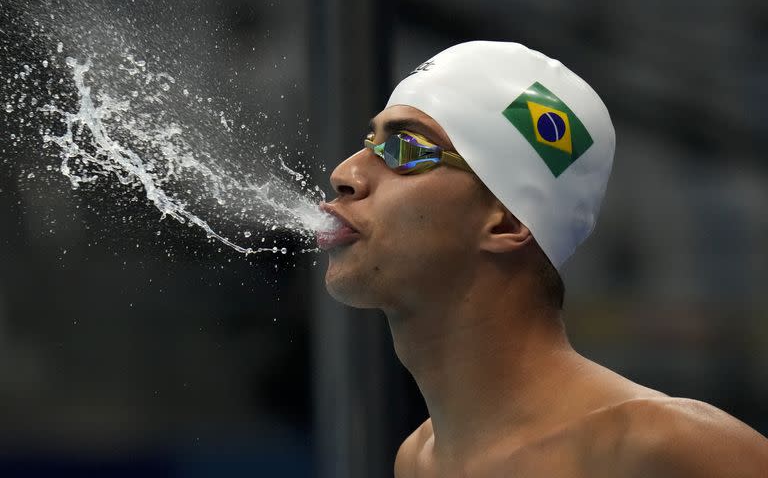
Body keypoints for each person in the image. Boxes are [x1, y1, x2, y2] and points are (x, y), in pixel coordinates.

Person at [316, 41, 768, 477]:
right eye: (368, 142)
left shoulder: (667, 448)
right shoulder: (419, 461)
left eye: (404, 151)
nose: (345, 173)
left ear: (508, 220)